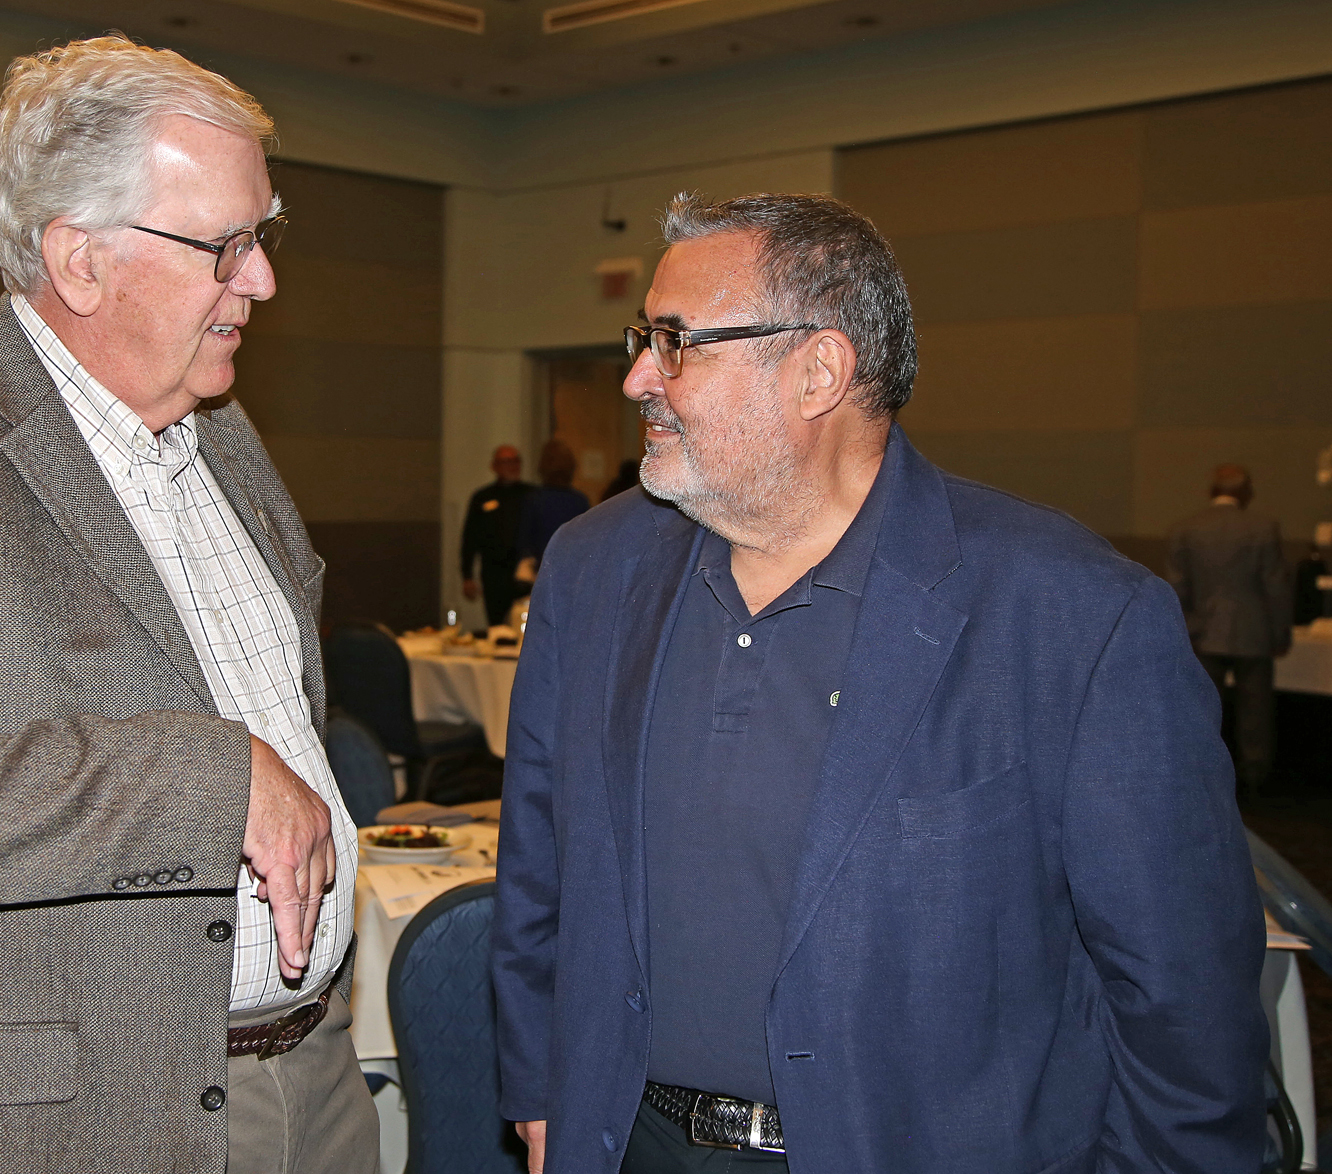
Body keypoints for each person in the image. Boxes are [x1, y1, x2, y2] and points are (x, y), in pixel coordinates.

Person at [491, 193, 1265, 1174]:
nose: (640, 376)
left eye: (678, 342)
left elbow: (1181, 995)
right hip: (624, 1140)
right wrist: (541, 1084)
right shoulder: (592, 568)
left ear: (818, 370)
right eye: (643, 336)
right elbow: (538, 870)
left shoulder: (1074, 617)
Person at [0, 36, 375, 1174]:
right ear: (80, 260)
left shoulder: (227, 439)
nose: (262, 279)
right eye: (226, 244)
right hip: (78, 1117)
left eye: (264, 235)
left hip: (315, 1071)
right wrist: (214, 775)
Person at [1166, 464, 1292, 801]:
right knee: (1256, 711)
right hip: (1254, 631)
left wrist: (1189, 628)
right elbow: (1275, 587)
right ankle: (1256, 779)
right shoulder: (1263, 528)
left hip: (1203, 632)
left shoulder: (1186, 529)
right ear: (1246, 491)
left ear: (1212, 491)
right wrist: (1281, 633)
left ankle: (1202, 780)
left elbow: (1176, 588)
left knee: (1204, 710)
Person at [461, 445, 534, 629]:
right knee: (497, 628)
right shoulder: (482, 497)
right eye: (505, 461)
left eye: (515, 461)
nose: (512, 466)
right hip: (494, 575)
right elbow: (470, 538)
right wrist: (467, 575)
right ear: (494, 466)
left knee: (525, 627)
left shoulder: (532, 495)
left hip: (525, 576)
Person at [515, 439, 591, 581]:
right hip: (572, 571)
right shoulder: (580, 501)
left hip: (541, 571)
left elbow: (524, 541)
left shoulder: (533, 500)